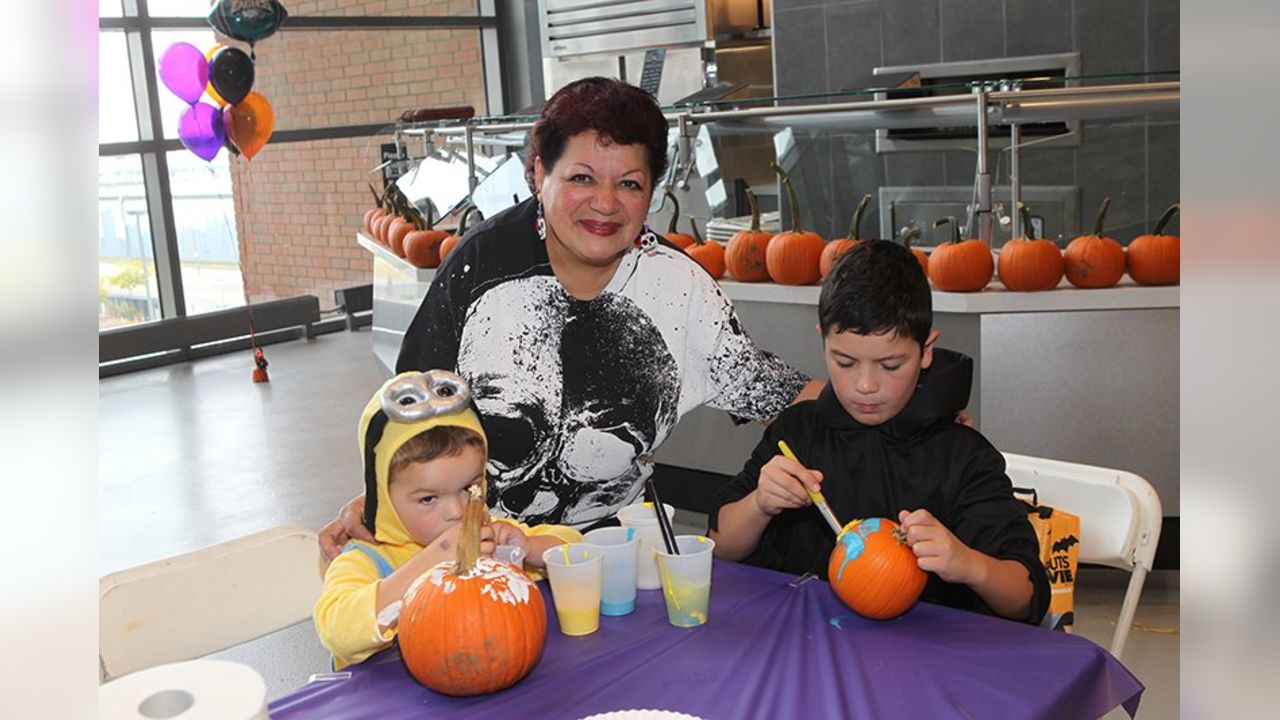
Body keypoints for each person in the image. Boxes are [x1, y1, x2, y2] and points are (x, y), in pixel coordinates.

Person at [320, 76, 820, 558]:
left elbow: (779, 394)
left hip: (617, 554)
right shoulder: (480, 268)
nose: (605, 204)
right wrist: (378, 499)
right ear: (539, 173)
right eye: (581, 177)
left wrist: (886, 395)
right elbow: (408, 415)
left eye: (629, 183)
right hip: (475, 554)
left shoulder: (680, 289)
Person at [709, 241, 1049, 623]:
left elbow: (1027, 598)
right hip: (804, 644)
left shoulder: (963, 456)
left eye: (890, 365)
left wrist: (967, 563)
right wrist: (759, 504)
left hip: (924, 661)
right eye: (845, 361)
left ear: (926, 351)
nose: (865, 385)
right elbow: (720, 546)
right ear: (823, 341)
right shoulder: (796, 434)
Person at [314, 371, 580, 668]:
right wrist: (433, 561)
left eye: (470, 488)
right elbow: (337, 632)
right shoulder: (365, 560)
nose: (457, 511)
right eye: (428, 498)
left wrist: (529, 548)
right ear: (384, 499)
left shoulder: (489, 538)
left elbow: (578, 551)